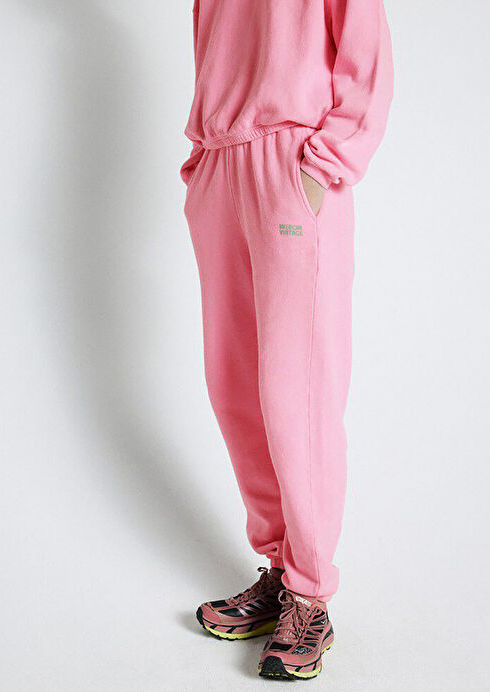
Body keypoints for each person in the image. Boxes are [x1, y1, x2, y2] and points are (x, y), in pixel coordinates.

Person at [181, 0, 393, 680]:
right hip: (221, 163)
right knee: (233, 385)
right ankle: (279, 568)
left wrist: (322, 164)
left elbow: (366, 58)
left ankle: (309, 593)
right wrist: (202, 159)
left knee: (295, 391)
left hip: (292, 161)